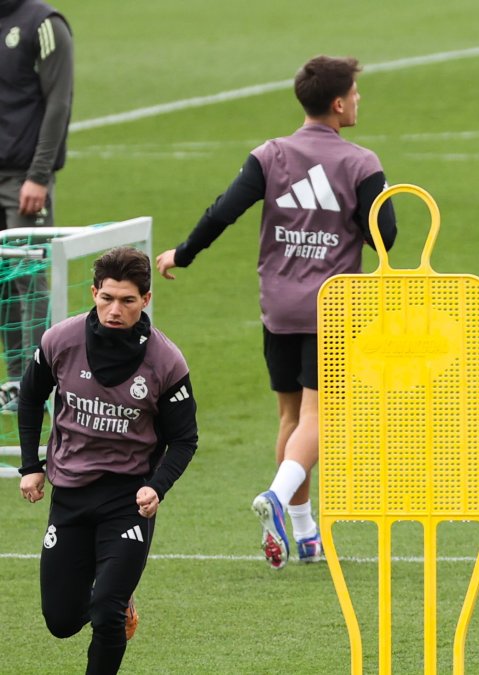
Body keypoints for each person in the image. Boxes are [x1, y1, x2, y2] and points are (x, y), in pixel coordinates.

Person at [155, 55, 396, 570]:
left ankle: (307, 535)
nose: (358, 100)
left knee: (290, 416)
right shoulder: (360, 162)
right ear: (337, 103)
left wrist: (184, 252)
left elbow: (224, 210)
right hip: (331, 309)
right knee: (321, 418)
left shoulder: (269, 155)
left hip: (278, 307)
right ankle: (277, 498)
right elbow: (387, 237)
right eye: (355, 93)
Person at [17, 247, 199, 675]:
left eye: (127, 301)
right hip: (70, 497)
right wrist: (30, 466)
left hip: (128, 501)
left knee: (106, 610)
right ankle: (117, 600)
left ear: (146, 300)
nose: (114, 310)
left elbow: (185, 440)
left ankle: (118, 603)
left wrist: (158, 486)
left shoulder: (166, 362)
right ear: (94, 293)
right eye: (107, 298)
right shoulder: (60, 340)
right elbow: (29, 397)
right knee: (61, 622)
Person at [0, 0, 73, 389]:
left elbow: (58, 102)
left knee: (30, 278)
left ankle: (38, 381)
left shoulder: (43, 24)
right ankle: (14, 382)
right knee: (1, 280)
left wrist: (39, 175)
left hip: (23, 179)